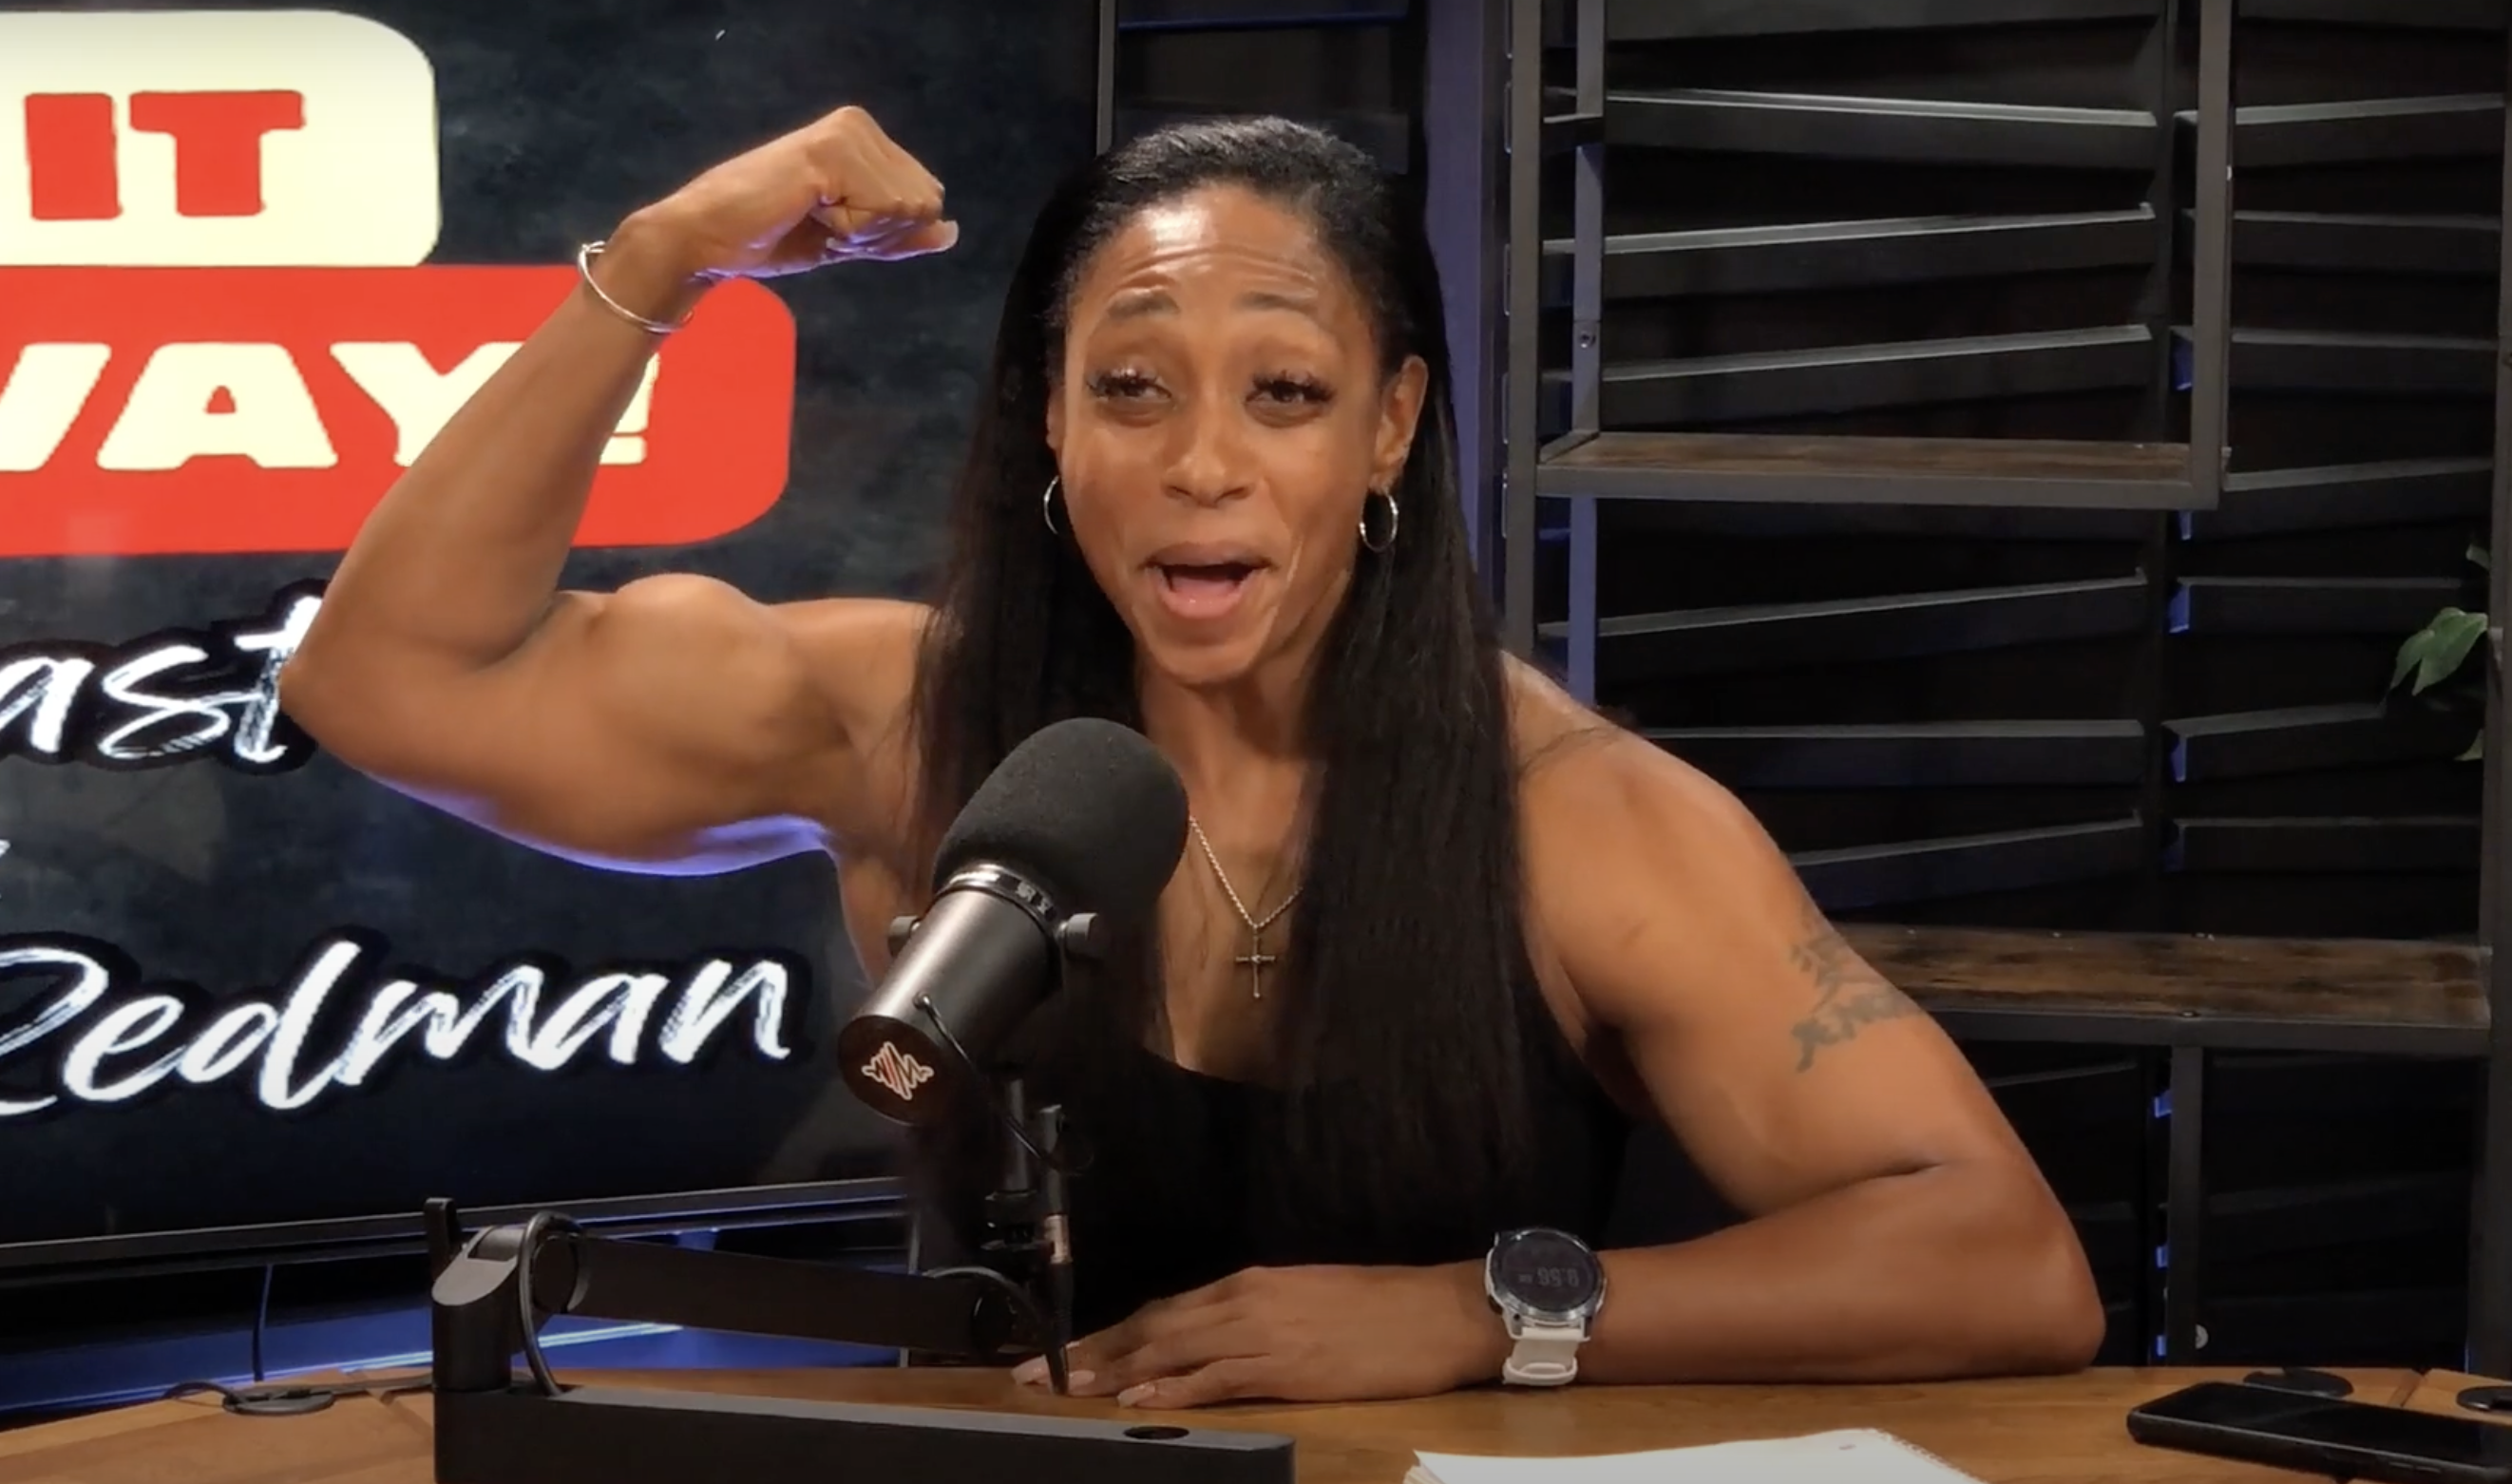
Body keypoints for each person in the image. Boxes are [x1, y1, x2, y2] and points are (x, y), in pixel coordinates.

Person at [279, 104, 2105, 1410]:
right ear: (1050, 421)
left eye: (1285, 392)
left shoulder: (1578, 818)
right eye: (1132, 387)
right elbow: (386, 680)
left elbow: (2006, 1257)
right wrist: (663, 257)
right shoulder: (904, 717)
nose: (1202, 463)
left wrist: (1475, 1315)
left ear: (1389, 425)